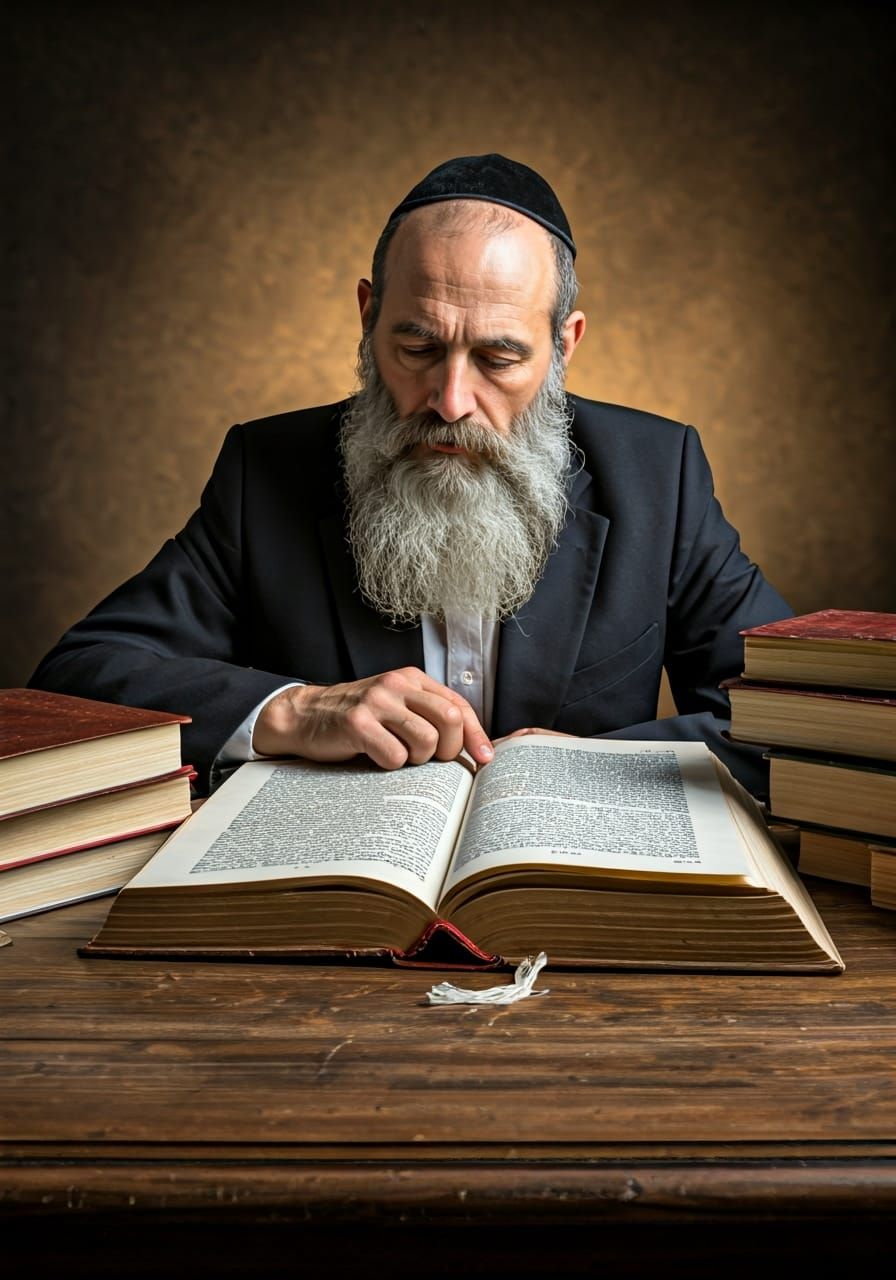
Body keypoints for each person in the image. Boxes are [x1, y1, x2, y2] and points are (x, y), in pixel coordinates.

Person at [29, 153, 792, 799]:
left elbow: (792, 718)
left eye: (499, 358)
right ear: (369, 318)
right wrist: (296, 712)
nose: (451, 401)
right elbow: (78, 678)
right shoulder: (265, 472)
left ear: (564, 346)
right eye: (418, 349)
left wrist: (585, 769)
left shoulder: (660, 475)